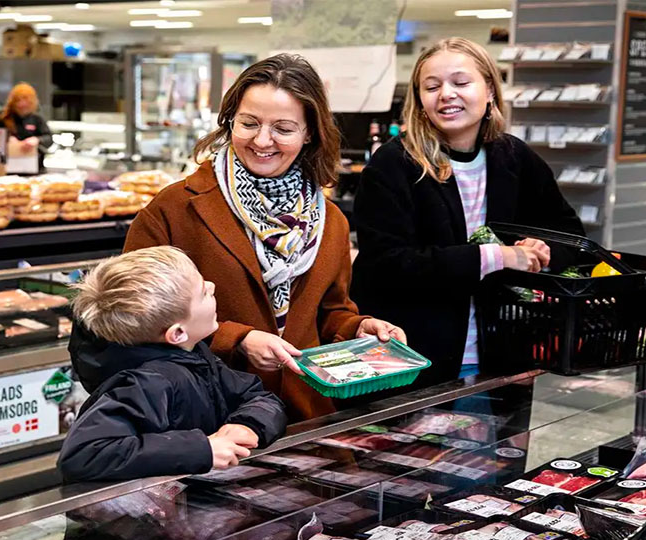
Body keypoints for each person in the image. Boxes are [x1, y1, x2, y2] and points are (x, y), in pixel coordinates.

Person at [124, 54, 405, 421]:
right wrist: (237, 341)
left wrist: (357, 328)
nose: (262, 140)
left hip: (303, 416)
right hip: (207, 421)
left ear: (309, 134)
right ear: (229, 122)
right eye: (249, 123)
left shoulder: (329, 221)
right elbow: (133, 316)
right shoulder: (176, 208)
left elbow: (329, 313)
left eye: (283, 129)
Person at [351, 37, 585, 386]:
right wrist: (498, 256)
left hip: (504, 358)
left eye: (461, 83)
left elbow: (572, 236)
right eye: (432, 86)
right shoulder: (394, 164)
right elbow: (387, 265)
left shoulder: (514, 158)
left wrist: (542, 250)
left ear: (489, 89)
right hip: (412, 361)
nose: (446, 94)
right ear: (419, 100)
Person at [57, 246, 288, 482]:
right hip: (153, 511)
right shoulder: (145, 382)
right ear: (177, 333)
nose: (212, 286)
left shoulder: (194, 355)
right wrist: (201, 450)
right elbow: (85, 454)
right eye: (202, 293)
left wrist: (247, 425)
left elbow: (258, 397)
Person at [0, 82, 52, 174]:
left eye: (25, 100)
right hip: (7, 170)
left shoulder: (37, 119)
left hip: (34, 170)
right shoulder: (3, 119)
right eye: (18, 100)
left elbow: (49, 139)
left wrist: (37, 140)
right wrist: (7, 140)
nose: (22, 104)